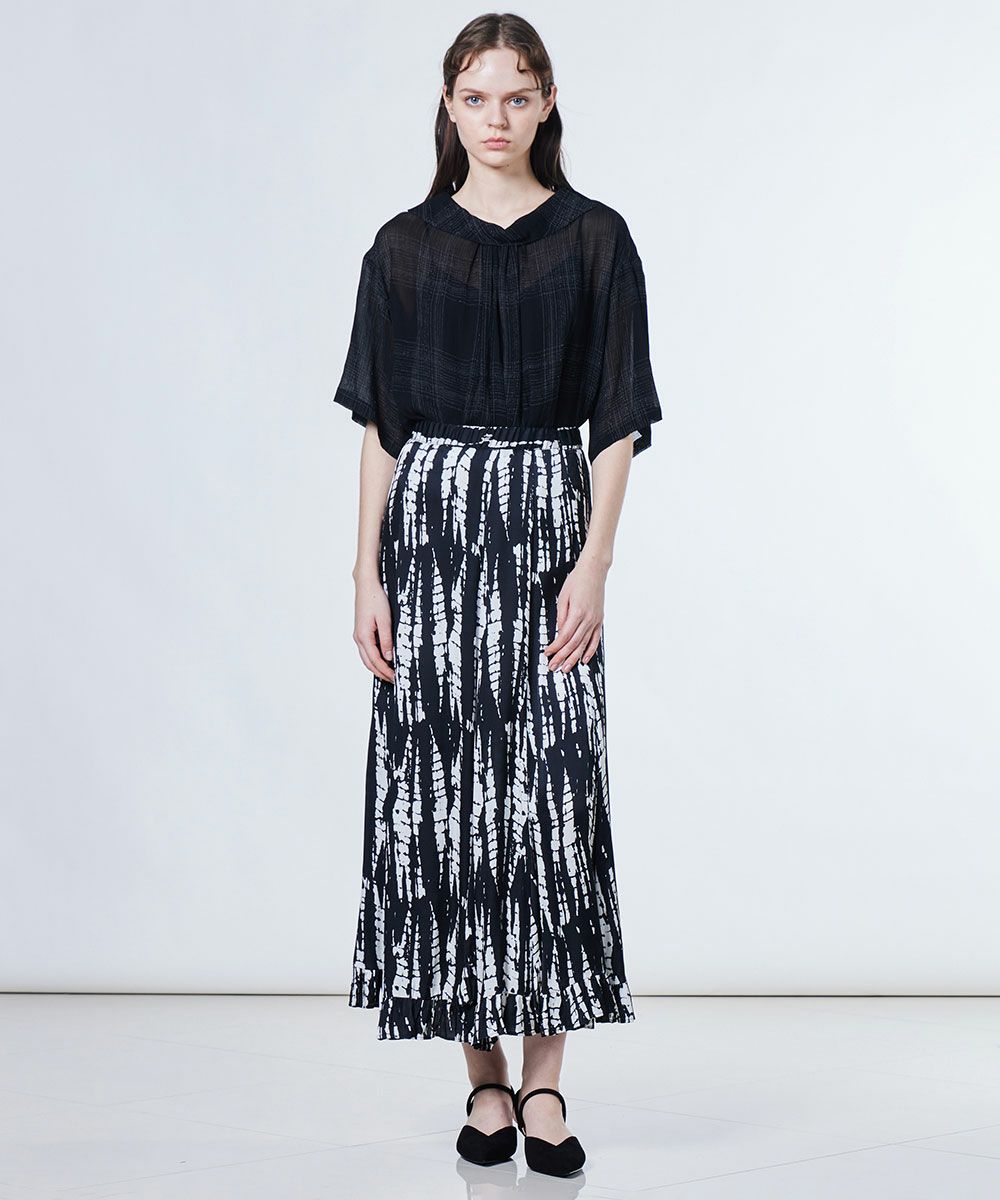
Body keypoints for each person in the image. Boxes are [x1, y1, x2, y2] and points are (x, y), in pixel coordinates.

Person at [332, 13, 662, 1178]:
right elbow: (382, 426)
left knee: (550, 803)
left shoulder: (595, 239)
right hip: (430, 537)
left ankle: (546, 1083)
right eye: (476, 96)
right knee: (447, 800)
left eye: (517, 95)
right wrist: (365, 573)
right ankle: (480, 1078)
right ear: (448, 105)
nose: (496, 117)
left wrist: (595, 562)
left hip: (545, 526)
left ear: (548, 103)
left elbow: (617, 418)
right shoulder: (402, 247)